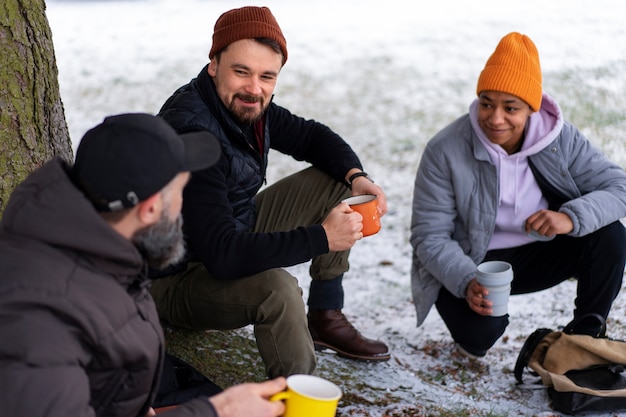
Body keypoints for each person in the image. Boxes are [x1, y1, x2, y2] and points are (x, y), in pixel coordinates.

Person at [149, 5, 390, 378]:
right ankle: (300, 396)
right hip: (177, 278)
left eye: (267, 76)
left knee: (335, 180)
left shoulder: (248, 106)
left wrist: (357, 176)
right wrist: (321, 238)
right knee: (278, 290)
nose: (255, 88)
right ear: (214, 63)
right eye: (241, 71)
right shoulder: (194, 134)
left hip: (230, 230)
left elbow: (312, 136)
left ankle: (326, 315)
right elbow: (222, 256)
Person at [0, 113, 287, 417]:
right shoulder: (42, 323)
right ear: (150, 209)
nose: (183, 206)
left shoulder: (95, 245)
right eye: (180, 193)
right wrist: (220, 412)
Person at [410, 32, 626, 359]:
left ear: (531, 109)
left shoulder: (559, 139)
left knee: (610, 234)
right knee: (477, 338)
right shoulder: (445, 149)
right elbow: (429, 236)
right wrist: (467, 281)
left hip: (539, 252)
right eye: (486, 103)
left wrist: (569, 217)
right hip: (472, 261)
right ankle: (472, 321)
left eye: (510, 108)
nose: (495, 119)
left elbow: (619, 187)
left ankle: (585, 335)